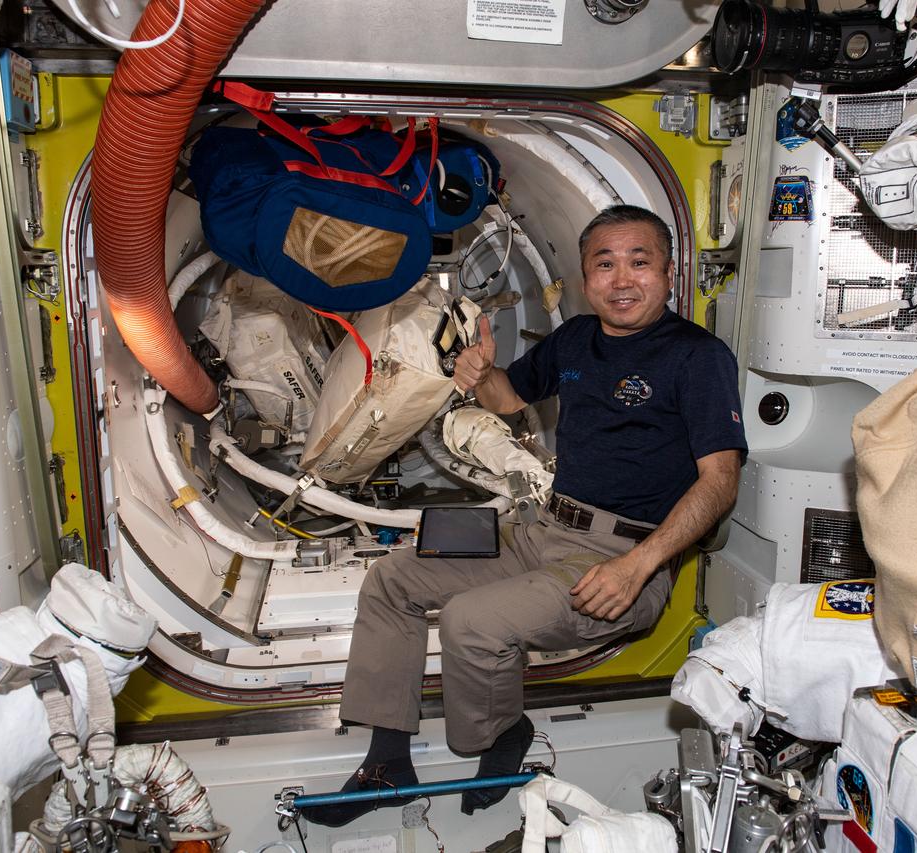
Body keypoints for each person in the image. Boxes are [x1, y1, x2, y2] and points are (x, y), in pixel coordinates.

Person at [302, 204, 748, 826]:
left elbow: (720, 483)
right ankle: (387, 759)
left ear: (669, 274)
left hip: (621, 560)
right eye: (605, 264)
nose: (622, 280)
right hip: (543, 529)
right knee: (392, 579)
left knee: (472, 621)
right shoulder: (573, 340)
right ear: (587, 276)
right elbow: (509, 397)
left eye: (639, 263)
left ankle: (501, 735)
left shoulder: (698, 358)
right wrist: (480, 373)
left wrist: (639, 567)